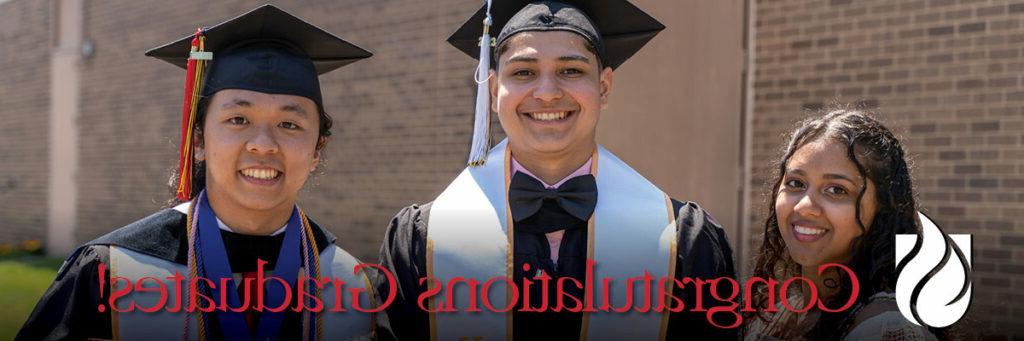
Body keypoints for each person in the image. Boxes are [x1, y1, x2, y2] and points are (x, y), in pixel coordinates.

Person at [375, 1, 737, 339]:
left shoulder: (683, 241)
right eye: (524, 72)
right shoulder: (422, 242)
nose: (547, 92)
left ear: (604, 87)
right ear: (495, 87)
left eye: (570, 70)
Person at [17, 5, 376, 340]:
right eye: (238, 119)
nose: (263, 144)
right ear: (199, 141)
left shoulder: (357, 287)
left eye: (289, 123)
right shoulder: (109, 273)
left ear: (317, 150)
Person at [743, 106, 961, 340]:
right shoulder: (786, 311)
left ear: (882, 210)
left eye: (837, 190)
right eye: (795, 183)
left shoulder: (885, 329)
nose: (804, 205)